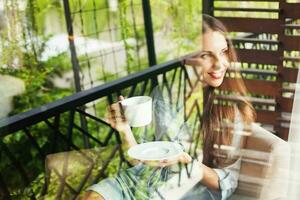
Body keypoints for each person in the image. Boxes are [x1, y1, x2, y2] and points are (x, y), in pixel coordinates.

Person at [82, 14, 256, 200]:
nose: (219, 64)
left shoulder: (232, 111)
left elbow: (227, 183)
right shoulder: (164, 95)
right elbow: (140, 160)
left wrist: (186, 160)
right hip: (144, 182)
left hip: (187, 190)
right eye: (206, 55)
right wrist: (124, 130)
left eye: (223, 52)